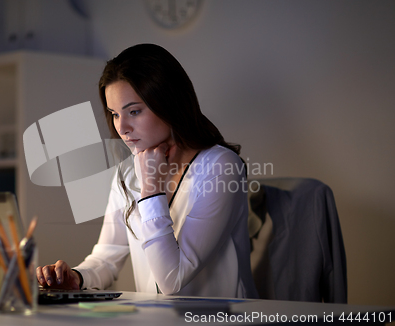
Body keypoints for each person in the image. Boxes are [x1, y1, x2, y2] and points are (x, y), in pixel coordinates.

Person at [36, 43, 258, 298]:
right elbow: (107, 256)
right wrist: (76, 277)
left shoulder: (221, 167)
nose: (122, 128)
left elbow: (173, 280)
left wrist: (151, 187)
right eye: (115, 114)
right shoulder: (128, 172)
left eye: (133, 111)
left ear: (169, 103)